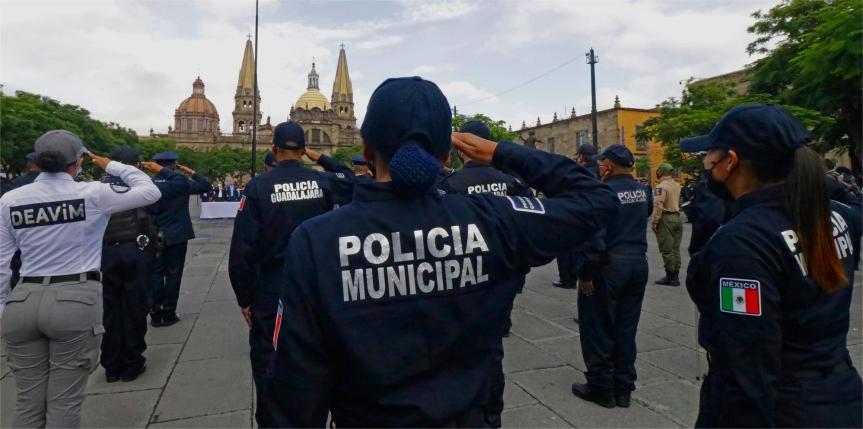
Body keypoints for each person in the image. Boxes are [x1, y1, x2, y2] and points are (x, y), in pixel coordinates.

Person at [265, 76, 618, 427]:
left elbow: (294, 390)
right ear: (447, 154)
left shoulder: (316, 241)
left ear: (368, 150)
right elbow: (597, 199)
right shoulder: (493, 221)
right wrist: (501, 151)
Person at [681, 104, 862, 428]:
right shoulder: (833, 215)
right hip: (839, 393)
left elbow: (747, 368)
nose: (706, 164)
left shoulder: (743, 242)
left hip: (782, 408)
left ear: (731, 162)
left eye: (710, 155)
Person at [0, 130, 161, 428]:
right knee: (64, 402)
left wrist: (3, 309)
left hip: (22, 300)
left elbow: (1, 263)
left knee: (27, 404)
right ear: (78, 162)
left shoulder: (10, 200)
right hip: (74, 298)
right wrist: (109, 164)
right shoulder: (89, 193)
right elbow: (149, 190)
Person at [228, 122, 354, 427]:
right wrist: (321, 158)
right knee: (322, 352)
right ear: (302, 150)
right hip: (318, 284)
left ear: (273, 149)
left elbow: (243, 250)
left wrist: (245, 298)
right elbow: (350, 178)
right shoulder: (323, 183)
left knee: (270, 357)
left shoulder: (257, 188)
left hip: (274, 286)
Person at [437, 120, 533, 427]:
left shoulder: (449, 185)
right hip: (506, 276)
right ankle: (492, 414)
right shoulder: (514, 182)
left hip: (465, 280)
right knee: (493, 346)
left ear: (462, 146)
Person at [572, 144, 652, 409]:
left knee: (598, 326)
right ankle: (624, 387)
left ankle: (601, 386)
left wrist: (585, 274)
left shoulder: (604, 192)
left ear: (608, 166)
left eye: (601, 163)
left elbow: (594, 239)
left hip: (608, 266)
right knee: (626, 328)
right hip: (637, 264)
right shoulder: (643, 190)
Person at [99, 146, 160, 383]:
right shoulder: (142, 188)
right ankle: (132, 362)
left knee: (111, 310)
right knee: (135, 307)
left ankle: (111, 365)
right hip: (136, 251)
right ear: (134, 166)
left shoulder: (95, 189)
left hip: (106, 254)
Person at [145, 151, 212, 327]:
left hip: (154, 234)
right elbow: (206, 185)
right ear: (173, 166)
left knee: (156, 274)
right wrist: (191, 172)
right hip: (177, 234)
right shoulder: (181, 183)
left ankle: (155, 312)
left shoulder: (148, 183)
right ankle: (169, 312)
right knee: (174, 274)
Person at [554, 143, 599, 289]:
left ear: (580, 157)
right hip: (597, 219)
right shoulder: (602, 172)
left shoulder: (577, 173)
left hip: (575, 217)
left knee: (566, 249)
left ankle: (567, 279)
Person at [651, 163, 682, 286]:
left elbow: (658, 205)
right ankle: (676, 275)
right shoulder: (677, 184)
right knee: (675, 249)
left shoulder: (661, 186)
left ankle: (670, 277)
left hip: (666, 218)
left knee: (666, 249)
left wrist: (654, 221)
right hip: (677, 217)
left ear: (661, 172)